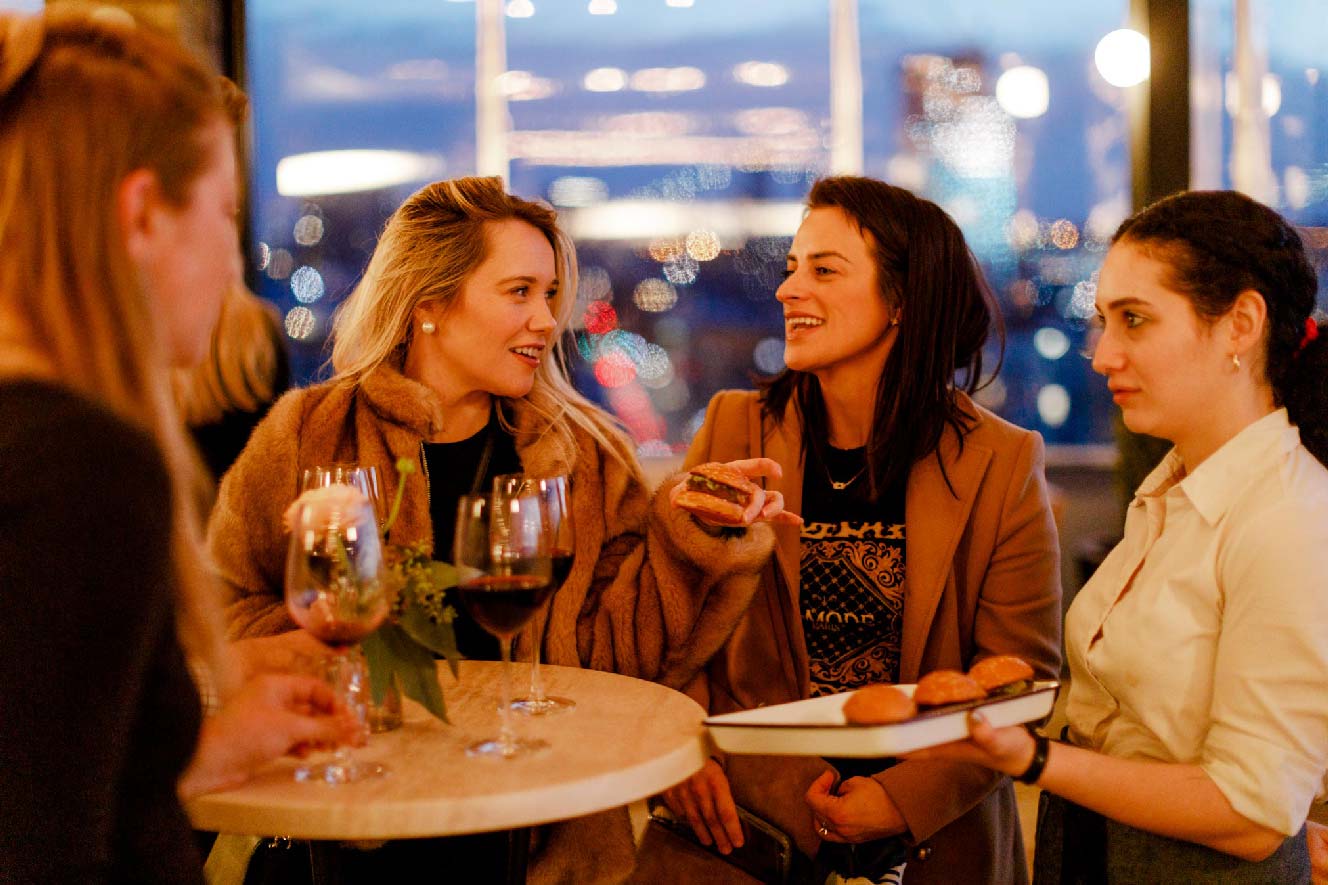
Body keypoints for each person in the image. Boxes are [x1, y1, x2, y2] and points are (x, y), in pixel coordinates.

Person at [207, 175, 790, 883]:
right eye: (519, 292)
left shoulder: (586, 455)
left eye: (550, 294)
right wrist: (336, 660)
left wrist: (689, 534)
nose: (546, 320)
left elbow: (625, 663)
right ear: (429, 302)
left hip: (530, 837)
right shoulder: (308, 435)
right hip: (344, 830)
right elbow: (222, 615)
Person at [0, 9, 361, 883]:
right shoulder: (80, 463)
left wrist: (201, 751)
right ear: (140, 215)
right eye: (223, 212)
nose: (233, 265)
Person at [636, 176, 1063, 884]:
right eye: (791, 268)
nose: (788, 290)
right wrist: (683, 752)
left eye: (824, 270)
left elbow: (1020, 683)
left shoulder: (1002, 461)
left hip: (931, 845)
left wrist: (902, 800)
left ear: (903, 300)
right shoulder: (736, 428)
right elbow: (673, 629)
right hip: (745, 830)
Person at [914, 190, 1328, 882]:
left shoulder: (1287, 516)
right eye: (1104, 321)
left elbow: (1251, 811)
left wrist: (1031, 757)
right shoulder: (1173, 490)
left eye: (1134, 320)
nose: (1103, 354)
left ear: (1240, 324)